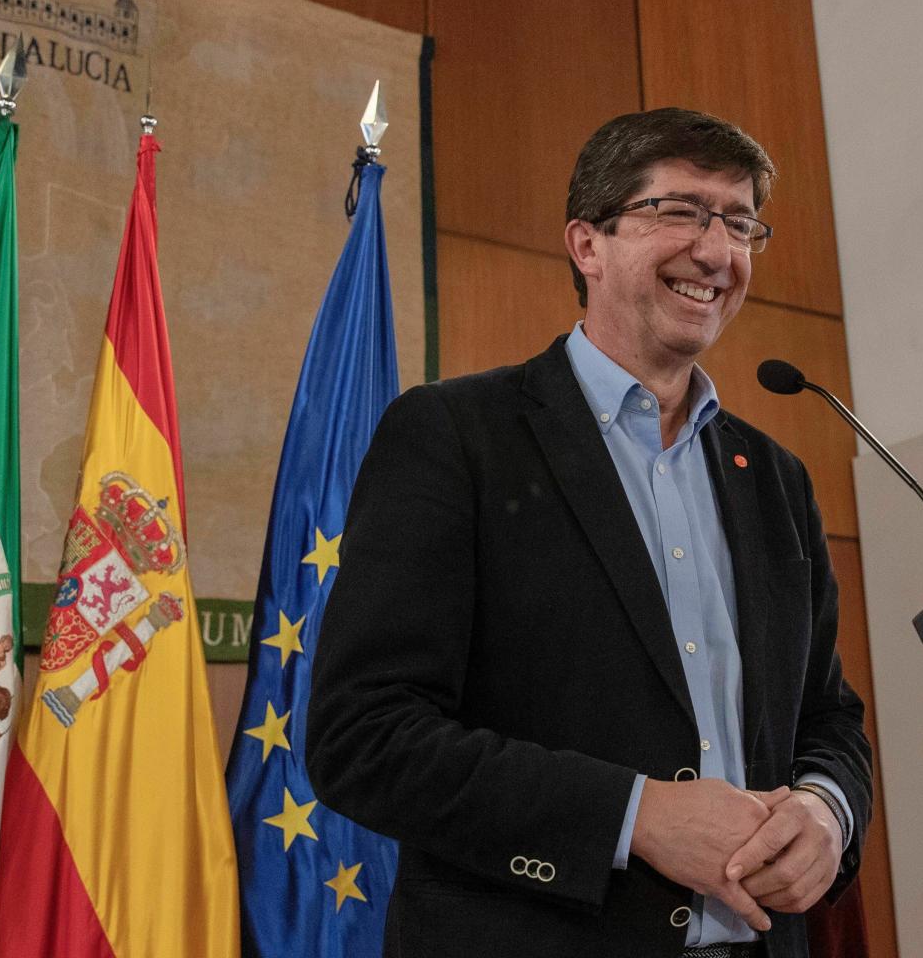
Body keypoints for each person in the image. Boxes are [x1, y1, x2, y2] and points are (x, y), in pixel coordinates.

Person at [308, 107, 872, 958]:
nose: (717, 252)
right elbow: (365, 736)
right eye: (679, 211)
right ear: (588, 245)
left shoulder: (778, 479)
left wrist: (828, 811)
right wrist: (631, 815)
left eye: (739, 222)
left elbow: (828, 718)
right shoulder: (455, 435)